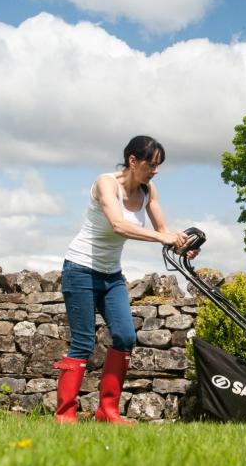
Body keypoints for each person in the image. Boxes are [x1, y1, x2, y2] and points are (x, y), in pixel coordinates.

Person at [54, 135, 190, 423]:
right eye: (151, 164)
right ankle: (65, 415)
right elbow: (118, 225)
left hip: (111, 275)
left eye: (158, 165)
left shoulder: (148, 190)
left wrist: (181, 245)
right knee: (83, 342)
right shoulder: (106, 183)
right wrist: (161, 237)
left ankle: (107, 410)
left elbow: (162, 229)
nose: (155, 171)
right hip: (80, 269)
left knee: (126, 336)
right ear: (132, 161)